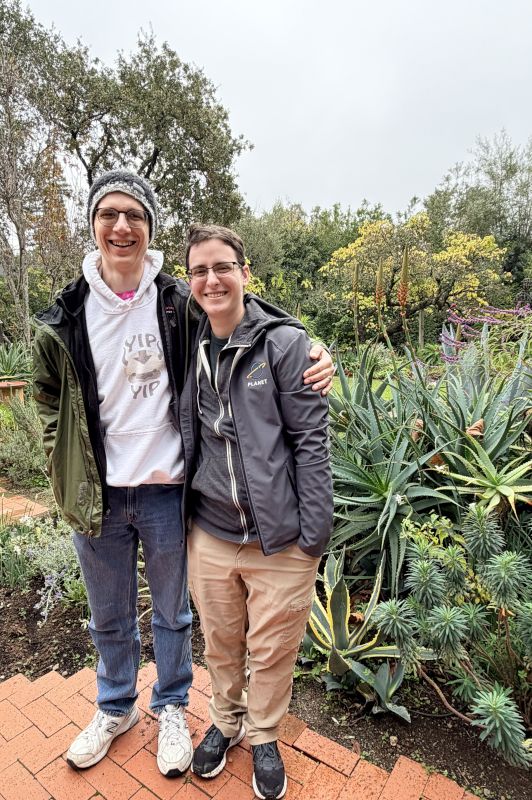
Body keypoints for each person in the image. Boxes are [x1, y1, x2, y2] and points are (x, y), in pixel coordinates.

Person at [32, 171, 334, 778]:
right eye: (109, 214)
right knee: (108, 614)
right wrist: (62, 460)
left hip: (169, 491)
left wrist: (312, 345)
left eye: (134, 215)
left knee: (174, 615)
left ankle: (171, 706)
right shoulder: (68, 313)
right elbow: (46, 398)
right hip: (99, 493)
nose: (122, 226)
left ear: (150, 227)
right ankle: (114, 707)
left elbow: (239, 310)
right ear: (92, 225)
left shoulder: (176, 301)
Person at [180, 224, 333, 800]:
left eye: (223, 267)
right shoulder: (185, 341)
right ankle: (225, 722)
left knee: (272, 651)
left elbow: (311, 443)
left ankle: (264, 735)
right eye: (199, 271)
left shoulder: (287, 346)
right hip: (210, 534)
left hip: (281, 540)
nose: (212, 280)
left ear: (245, 273)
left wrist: (313, 536)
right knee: (221, 643)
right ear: (190, 282)